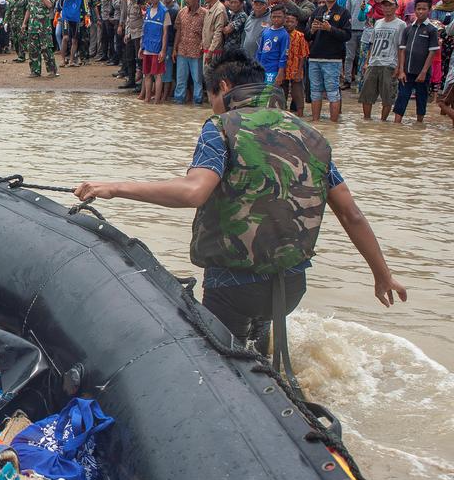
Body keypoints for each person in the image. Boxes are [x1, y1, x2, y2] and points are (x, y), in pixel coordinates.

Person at [74, 50, 407, 354]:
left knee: (224, 364)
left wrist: (115, 187)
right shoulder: (310, 134)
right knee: (260, 357)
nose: (212, 106)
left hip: (233, 288)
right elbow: (351, 213)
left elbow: (194, 192)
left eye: (211, 97)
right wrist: (382, 275)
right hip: (291, 286)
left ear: (223, 87)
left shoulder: (221, 126)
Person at [306, 0, 351, 122]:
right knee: (315, 92)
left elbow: (346, 35)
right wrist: (312, 30)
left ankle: (333, 124)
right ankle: (315, 122)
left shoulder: (343, 13)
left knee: (333, 93)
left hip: (332, 58)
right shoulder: (317, 11)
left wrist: (330, 29)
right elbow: (307, 35)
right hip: (314, 57)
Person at [394, 0, 440, 124]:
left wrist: (424, 72)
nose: (420, 12)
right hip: (407, 72)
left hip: (422, 73)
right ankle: (396, 125)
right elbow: (402, 50)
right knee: (402, 98)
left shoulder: (432, 30)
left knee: (421, 99)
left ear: (429, 10)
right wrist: (401, 70)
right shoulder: (408, 29)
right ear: (414, 10)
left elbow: (432, 52)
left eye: (424, 9)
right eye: (418, 9)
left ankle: (419, 124)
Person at [359, 0, 404, 121]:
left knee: (388, 97)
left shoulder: (401, 25)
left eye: (390, 5)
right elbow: (372, 44)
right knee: (366, 94)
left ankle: (383, 121)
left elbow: (402, 48)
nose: (387, 8)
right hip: (374, 62)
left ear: (396, 6)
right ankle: (367, 120)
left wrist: (399, 67)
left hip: (390, 63)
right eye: (384, 5)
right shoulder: (378, 22)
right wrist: (367, 62)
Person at [173, 0, 206, 105]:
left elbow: (206, 34)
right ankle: (179, 100)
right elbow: (178, 31)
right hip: (182, 51)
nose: (187, 1)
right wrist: (174, 49)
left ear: (197, 0)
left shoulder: (205, 14)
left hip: (197, 52)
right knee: (181, 80)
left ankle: (198, 101)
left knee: (197, 80)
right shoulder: (182, 13)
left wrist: (202, 46)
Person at [139, 0, 170, 103]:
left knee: (157, 75)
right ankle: (147, 99)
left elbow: (165, 33)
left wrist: (163, 50)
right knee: (147, 74)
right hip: (147, 47)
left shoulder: (164, 12)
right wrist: (142, 47)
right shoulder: (147, 11)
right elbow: (144, 30)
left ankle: (157, 101)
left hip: (157, 49)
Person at [24, 0, 57, 78]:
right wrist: (24, 23)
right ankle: (35, 71)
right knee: (33, 50)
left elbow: (49, 5)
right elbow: (28, 10)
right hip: (32, 28)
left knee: (47, 50)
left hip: (44, 28)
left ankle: (52, 71)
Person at [345, 0, 371, 88]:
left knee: (363, 56)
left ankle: (362, 79)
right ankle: (347, 79)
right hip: (352, 29)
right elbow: (348, 12)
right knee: (349, 56)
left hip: (366, 29)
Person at [281, 12, 308, 116]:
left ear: (296, 23)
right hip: (282, 68)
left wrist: (299, 71)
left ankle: (300, 114)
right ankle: (283, 113)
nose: (289, 24)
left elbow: (303, 55)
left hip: (296, 68)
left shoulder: (300, 36)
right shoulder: (281, 34)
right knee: (282, 91)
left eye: (292, 22)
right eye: (287, 21)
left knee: (297, 92)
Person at [256, 5, 290, 84]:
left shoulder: (284, 35)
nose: (276, 19)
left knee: (267, 94)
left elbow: (284, 55)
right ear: (270, 17)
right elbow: (260, 50)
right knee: (259, 91)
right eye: (274, 17)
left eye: (279, 17)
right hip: (262, 68)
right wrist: (257, 65)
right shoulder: (266, 31)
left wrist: (280, 73)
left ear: (285, 18)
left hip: (273, 69)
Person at [201, 0, 227, 66]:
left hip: (214, 52)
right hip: (207, 50)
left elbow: (218, 33)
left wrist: (210, 51)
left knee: (211, 77)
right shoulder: (209, 7)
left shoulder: (219, 9)